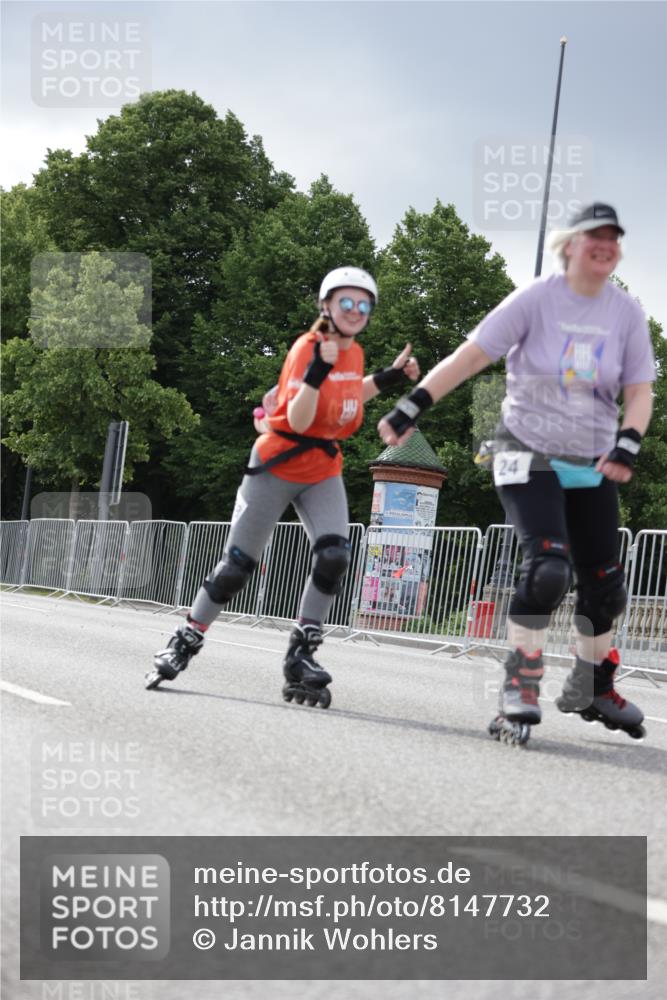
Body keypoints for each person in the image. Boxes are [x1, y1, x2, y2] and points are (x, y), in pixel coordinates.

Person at [377, 203, 655, 742]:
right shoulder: (536, 299)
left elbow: (640, 393)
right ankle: (519, 686)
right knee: (548, 569)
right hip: (525, 448)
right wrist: (412, 405)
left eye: (614, 237)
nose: (605, 245)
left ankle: (592, 686)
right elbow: (470, 357)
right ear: (569, 244)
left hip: (592, 458)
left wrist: (628, 442)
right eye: (594, 235)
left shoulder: (625, 313)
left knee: (606, 588)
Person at [147, 266, 419, 707]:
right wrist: (315, 371)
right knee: (237, 566)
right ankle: (184, 640)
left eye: (363, 304)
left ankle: (301, 655)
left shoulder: (353, 353)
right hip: (277, 461)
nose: (355, 310)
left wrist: (389, 377)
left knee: (334, 556)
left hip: (322, 467)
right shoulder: (307, 348)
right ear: (326, 305)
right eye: (346, 302)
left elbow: (347, 395)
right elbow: (298, 417)